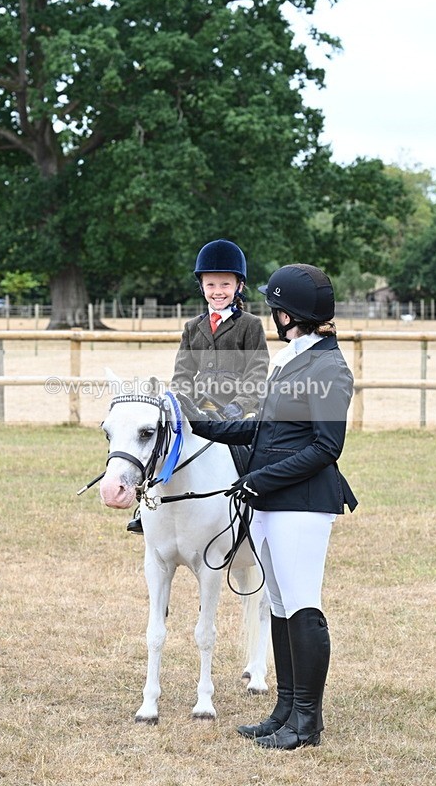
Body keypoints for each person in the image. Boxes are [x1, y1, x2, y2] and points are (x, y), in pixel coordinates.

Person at [178, 263, 358, 750]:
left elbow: (326, 447)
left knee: (303, 609)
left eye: (276, 307)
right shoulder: (295, 359)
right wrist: (204, 425)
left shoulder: (329, 367)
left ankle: (308, 723)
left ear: (290, 313)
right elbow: (267, 430)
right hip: (275, 502)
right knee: (279, 608)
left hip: (301, 504)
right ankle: (284, 709)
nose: (272, 314)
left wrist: (258, 479)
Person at [126, 238, 269, 533]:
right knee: (161, 448)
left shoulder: (251, 325)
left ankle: (256, 508)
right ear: (202, 286)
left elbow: (257, 373)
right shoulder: (193, 327)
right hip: (196, 409)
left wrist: (237, 407)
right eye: (212, 285)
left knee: (250, 452)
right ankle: (146, 509)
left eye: (225, 285)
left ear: (239, 286)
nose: (218, 292)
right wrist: (181, 404)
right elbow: (182, 373)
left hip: (237, 411)